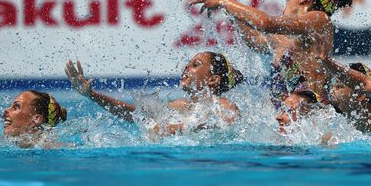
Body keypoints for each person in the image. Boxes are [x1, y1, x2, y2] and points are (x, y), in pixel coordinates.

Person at [185, 0, 352, 108]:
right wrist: (225, 2)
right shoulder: (285, 39)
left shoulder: (320, 21)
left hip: (310, 121)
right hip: (286, 123)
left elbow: (266, 23)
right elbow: (253, 39)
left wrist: (223, 1)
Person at [65, 52, 243, 136]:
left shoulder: (224, 105)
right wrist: (91, 95)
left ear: (213, 79)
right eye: (186, 65)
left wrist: (175, 129)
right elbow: (135, 114)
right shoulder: (181, 106)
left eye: (195, 65)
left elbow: (226, 127)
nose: (187, 69)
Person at [327, 63, 371, 133]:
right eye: (332, 85)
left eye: (338, 86)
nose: (332, 91)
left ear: (360, 95)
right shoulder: (336, 120)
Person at [2, 90, 67, 148]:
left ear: (36, 119)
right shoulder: (9, 146)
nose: (6, 110)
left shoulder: (52, 149)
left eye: (16, 106)